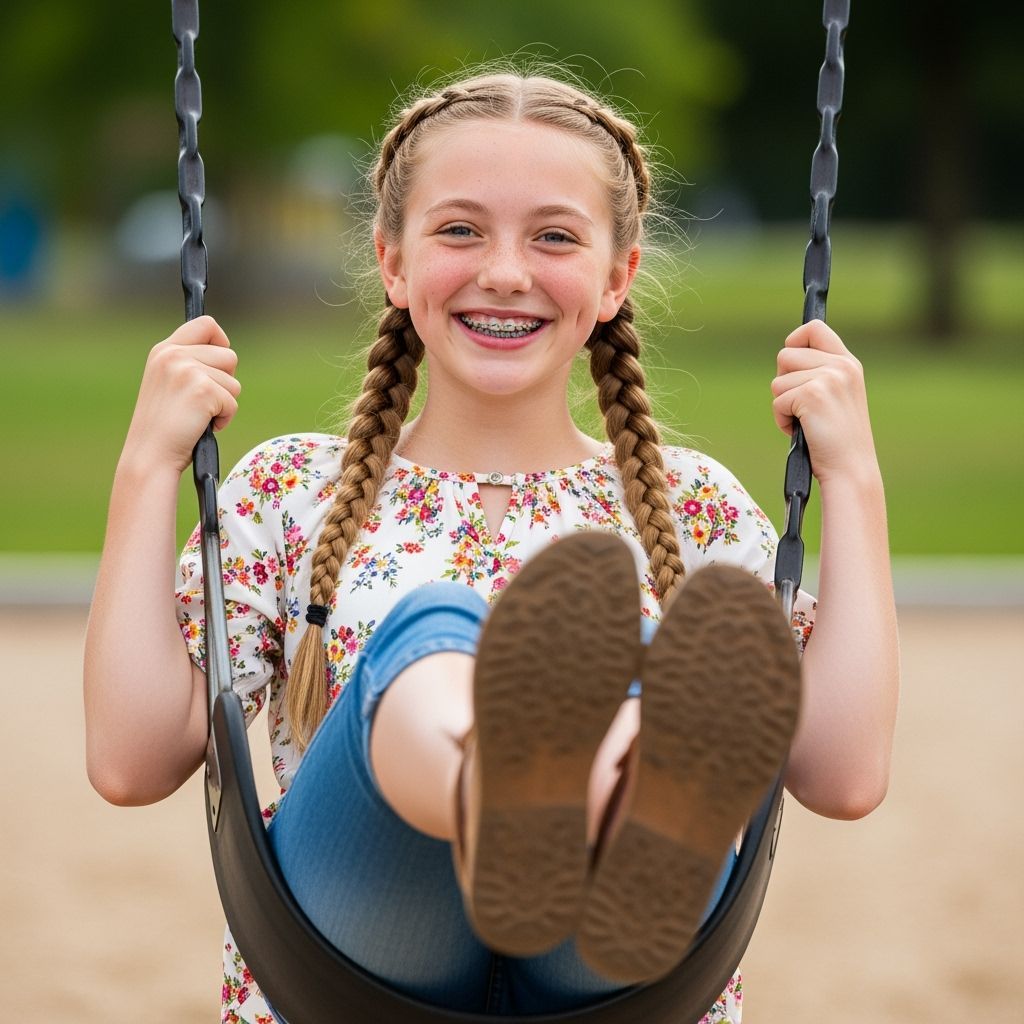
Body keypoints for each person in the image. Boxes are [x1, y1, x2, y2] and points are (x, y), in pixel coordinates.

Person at [83, 68, 899, 1024]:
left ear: (615, 276)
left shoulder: (695, 510)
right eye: (460, 229)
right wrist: (145, 465)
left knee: (600, 678)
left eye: (554, 236)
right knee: (438, 632)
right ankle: (540, 789)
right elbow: (132, 762)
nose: (505, 271)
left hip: (604, 969)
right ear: (393, 260)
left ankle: (605, 787)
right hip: (360, 955)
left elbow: (842, 776)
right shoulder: (292, 493)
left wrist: (855, 480)